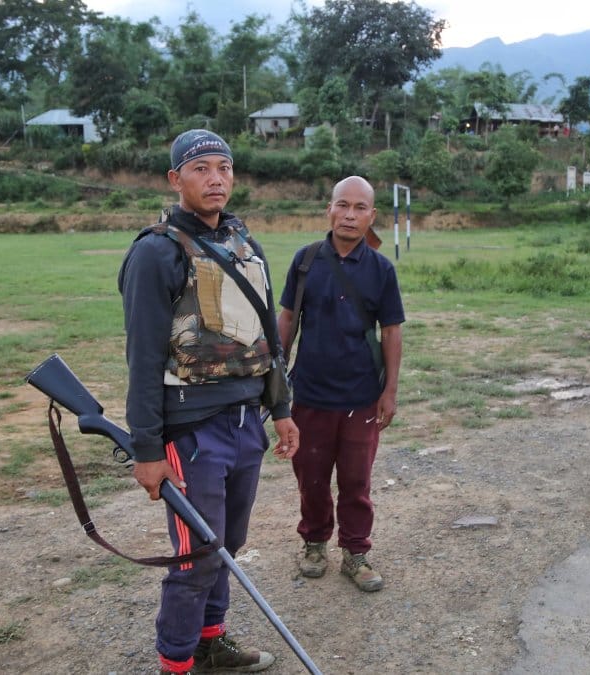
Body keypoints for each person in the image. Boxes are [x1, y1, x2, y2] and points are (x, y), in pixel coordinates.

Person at [117, 128, 299, 675]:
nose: (215, 178)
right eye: (200, 168)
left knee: (229, 543)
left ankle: (210, 642)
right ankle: (176, 662)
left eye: (224, 167)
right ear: (176, 179)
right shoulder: (156, 253)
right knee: (198, 554)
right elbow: (143, 358)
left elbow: (269, 338)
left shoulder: (245, 244)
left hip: (248, 422)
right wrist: (148, 450)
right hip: (191, 431)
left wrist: (283, 410)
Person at [276, 176, 405, 593]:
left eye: (360, 208)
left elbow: (391, 332)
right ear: (329, 209)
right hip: (310, 393)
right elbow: (288, 320)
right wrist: (275, 378)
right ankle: (314, 544)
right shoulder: (306, 260)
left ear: (372, 216)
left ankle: (356, 552)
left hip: (361, 396)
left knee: (356, 481)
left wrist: (389, 391)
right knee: (310, 476)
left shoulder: (382, 269)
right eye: (342, 206)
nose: (350, 215)